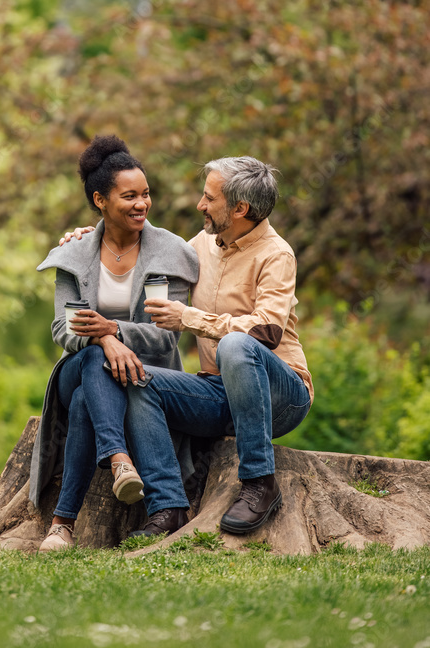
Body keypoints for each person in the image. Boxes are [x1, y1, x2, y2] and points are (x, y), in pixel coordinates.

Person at [63, 156, 313, 539]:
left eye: (209, 198)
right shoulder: (201, 246)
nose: (200, 205)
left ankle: (260, 483)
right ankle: (168, 508)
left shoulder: (276, 255)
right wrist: (91, 238)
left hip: (281, 395)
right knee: (136, 378)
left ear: (240, 209)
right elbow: (145, 244)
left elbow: (267, 331)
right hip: (219, 392)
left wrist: (189, 318)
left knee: (235, 345)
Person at [29, 135, 199, 552]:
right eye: (129, 196)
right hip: (81, 364)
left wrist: (113, 330)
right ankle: (119, 458)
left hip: (148, 377)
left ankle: (62, 526)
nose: (142, 203)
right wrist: (106, 341)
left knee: (91, 397)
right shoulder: (75, 255)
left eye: (145, 194)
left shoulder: (168, 254)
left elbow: (164, 335)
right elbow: (63, 330)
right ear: (100, 200)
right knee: (91, 364)